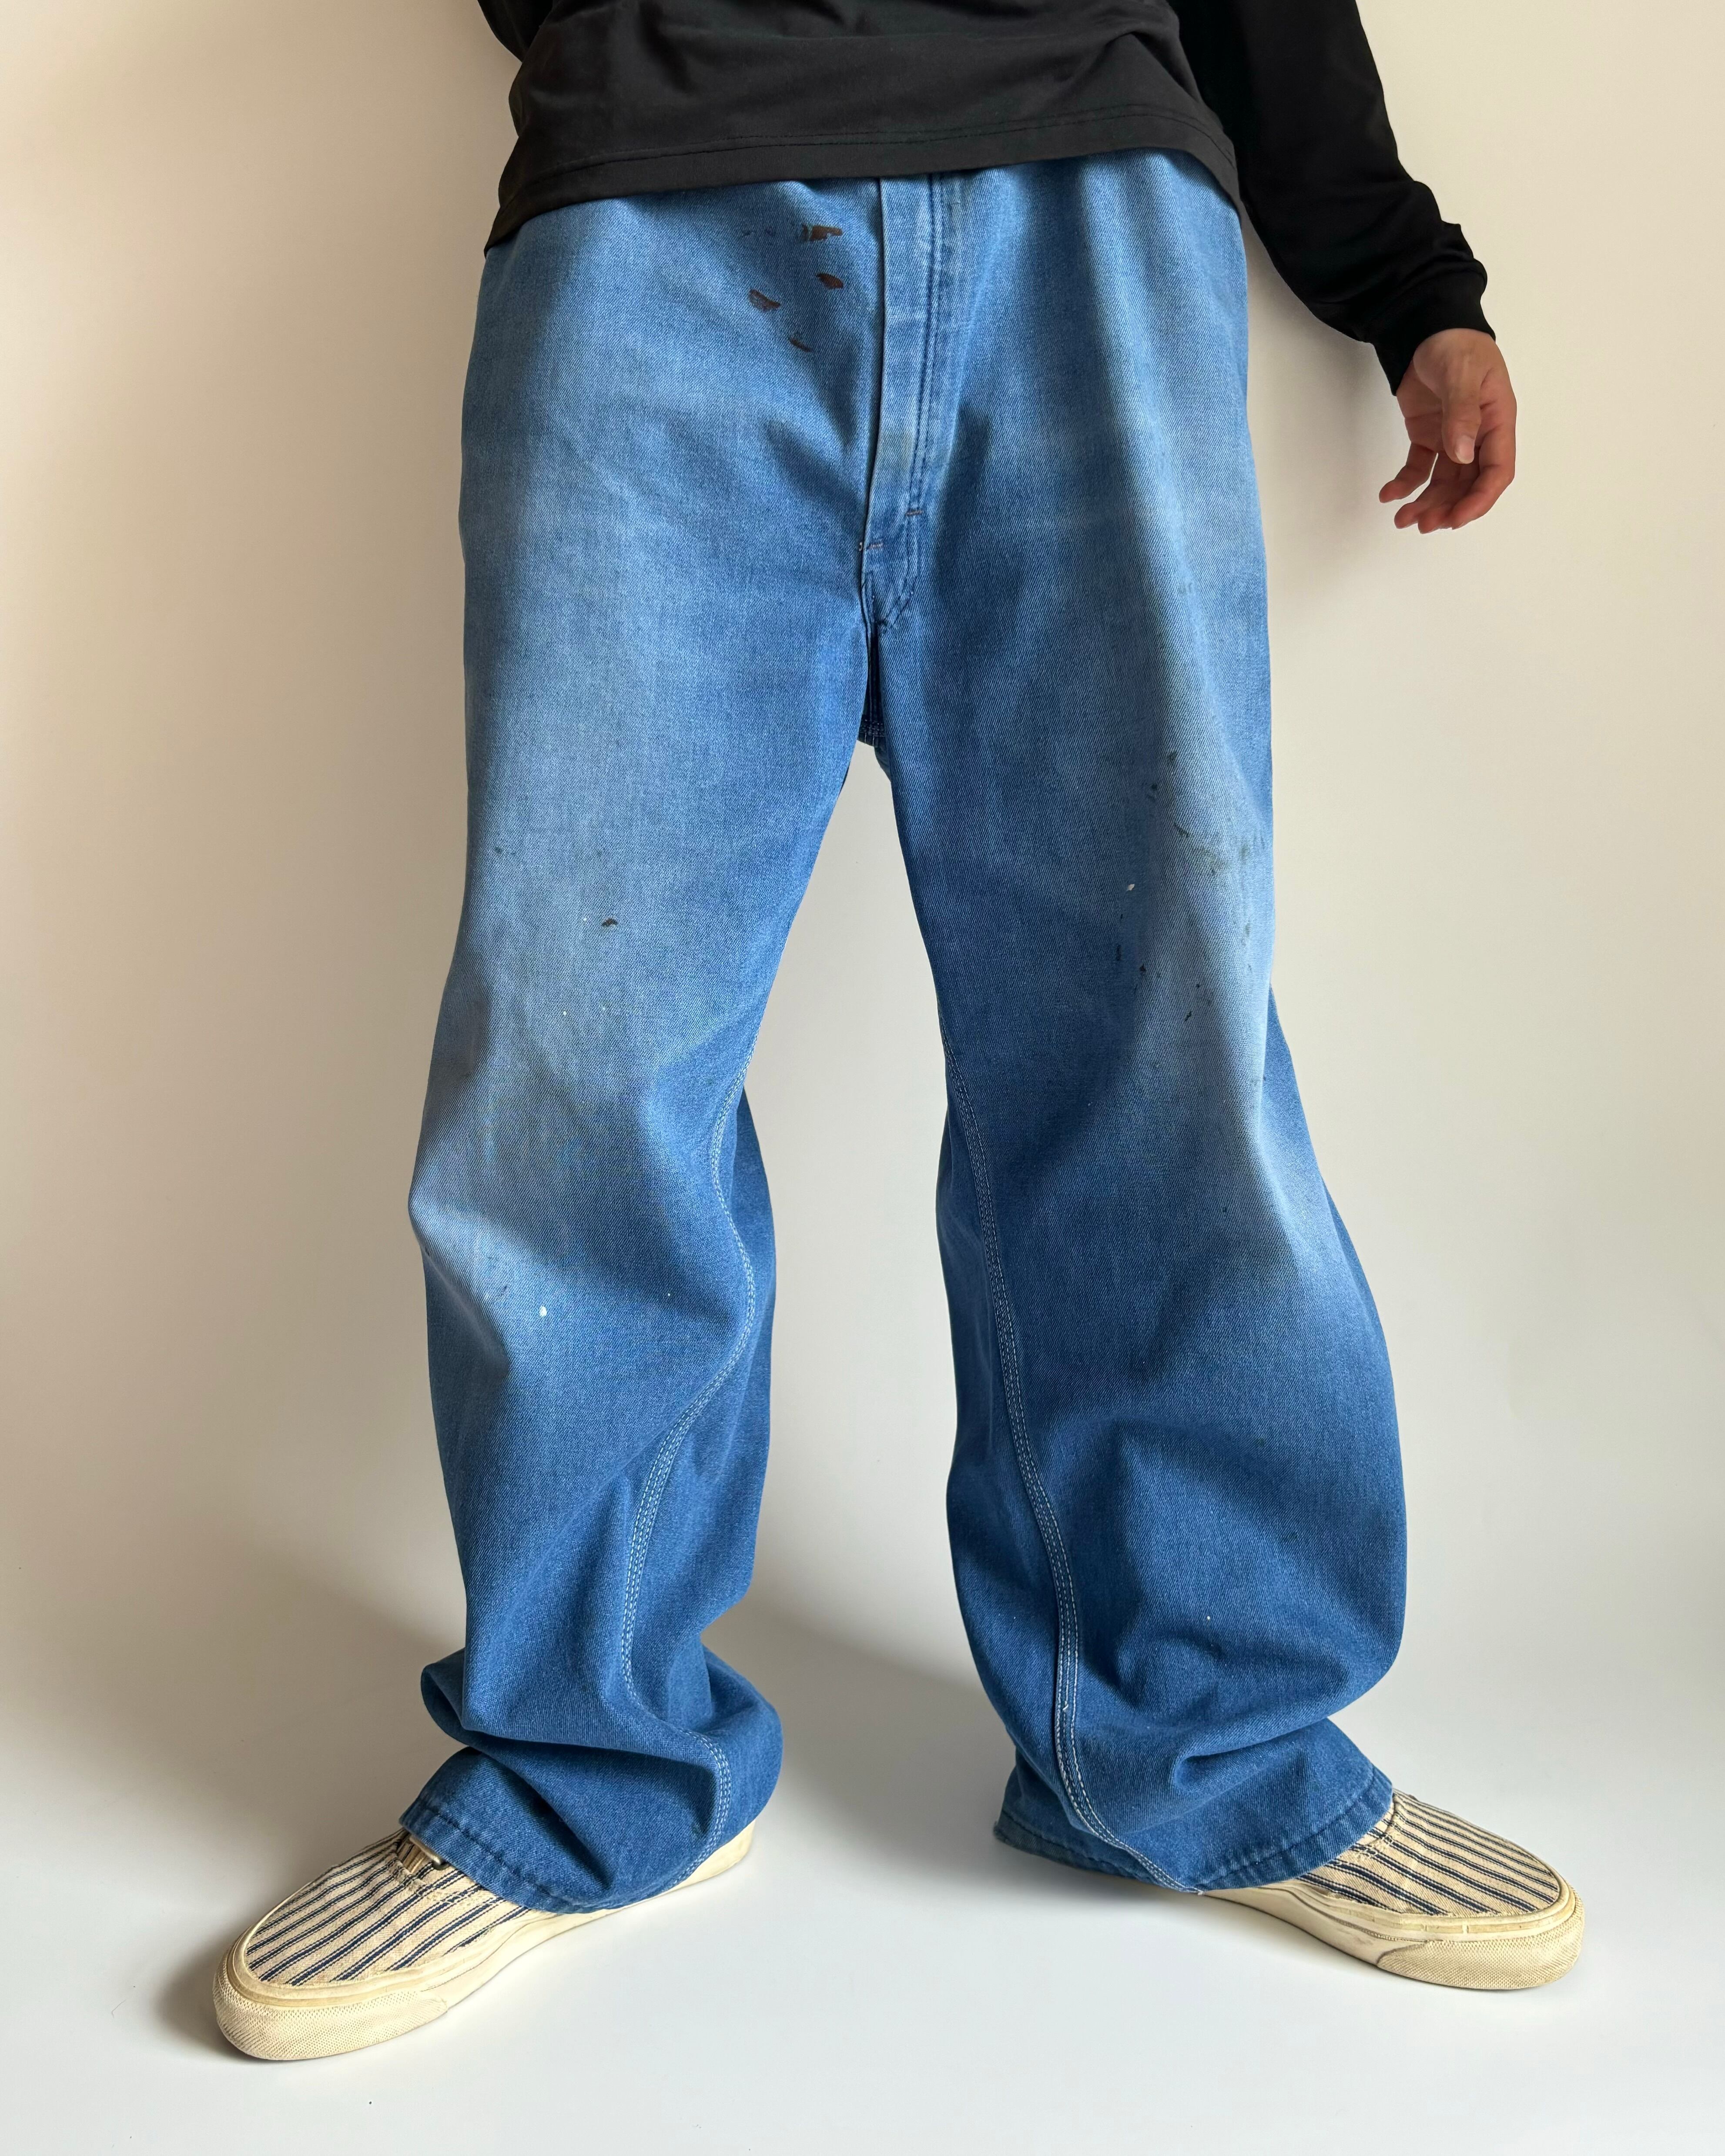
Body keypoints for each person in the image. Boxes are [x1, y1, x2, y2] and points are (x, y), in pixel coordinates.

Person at [212, 0, 1577, 2061]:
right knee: (581, 1056)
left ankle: (1200, 1741)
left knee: (1154, 1031)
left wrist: (1406, 281)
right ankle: (583, 1771)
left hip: (1087, 214)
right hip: (654, 216)